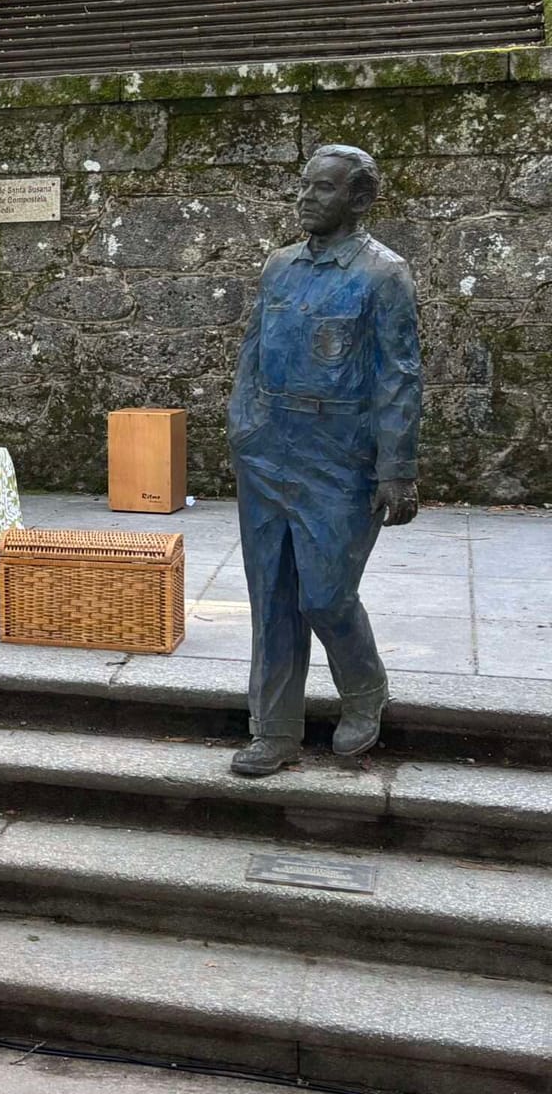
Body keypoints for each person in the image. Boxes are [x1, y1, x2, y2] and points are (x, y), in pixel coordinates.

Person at [226, 144, 421, 778]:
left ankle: (364, 692)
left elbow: (400, 376)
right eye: (305, 185)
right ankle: (274, 729)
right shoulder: (279, 267)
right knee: (272, 595)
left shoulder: (383, 274)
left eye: (325, 188)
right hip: (268, 450)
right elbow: (251, 352)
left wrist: (397, 469)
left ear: (359, 200)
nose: (307, 197)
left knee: (327, 595)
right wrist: (243, 429)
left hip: (341, 457)